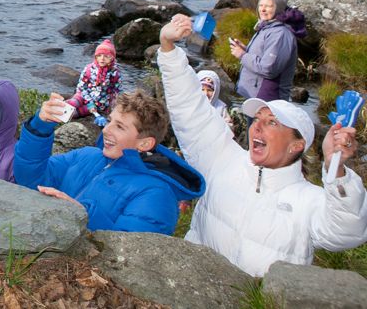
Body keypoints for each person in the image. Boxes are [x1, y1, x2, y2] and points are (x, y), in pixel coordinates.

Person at [157, 14, 367, 276]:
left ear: (296, 145)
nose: (257, 126)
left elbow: (347, 232)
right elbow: (190, 108)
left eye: (272, 123)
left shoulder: (308, 201)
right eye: (258, 119)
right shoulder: (222, 159)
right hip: (195, 290)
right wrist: (167, 47)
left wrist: (335, 170)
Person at [13, 90, 204, 234]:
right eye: (110, 120)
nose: (106, 130)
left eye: (119, 127)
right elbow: (30, 179)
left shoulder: (157, 194)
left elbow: (131, 255)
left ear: (144, 143)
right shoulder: (86, 155)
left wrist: (80, 215)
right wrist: (40, 127)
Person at [231, 0, 306, 100]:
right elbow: (264, 58)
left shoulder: (280, 34)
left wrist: (242, 55)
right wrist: (246, 50)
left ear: (278, 9)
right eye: (261, 5)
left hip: (267, 98)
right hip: (255, 95)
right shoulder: (267, 27)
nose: (263, 9)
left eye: (269, 6)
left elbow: (269, 69)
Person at [65, 38, 121, 121]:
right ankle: (57, 108)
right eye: (99, 55)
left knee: (75, 114)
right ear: (96, 57)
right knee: (72, 103)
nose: (102, 58)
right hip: (83, 95)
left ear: (112, 58)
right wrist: (89, 102)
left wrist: (111, 107)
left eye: (106, 56)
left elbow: (116, 91)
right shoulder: (89, 69)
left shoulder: (115, 73)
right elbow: (82, 87)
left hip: (99, 103)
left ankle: (67, 116)